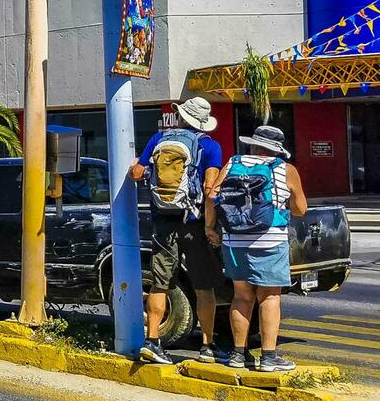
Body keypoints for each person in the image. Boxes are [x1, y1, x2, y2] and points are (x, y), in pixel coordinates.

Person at [128, 96, 225, 364]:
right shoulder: (210, 146)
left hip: (163, 221)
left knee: (161, 283)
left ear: (181, 117)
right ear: (202, 123)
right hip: (194, 222)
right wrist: (210, 226)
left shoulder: (159, 141)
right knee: (205, 287)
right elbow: (209, 189)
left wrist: (137, 167)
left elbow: (137, 173)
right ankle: (207, 347)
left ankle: (153, 341)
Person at [207, 125, 307, 372]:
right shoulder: (285, 169)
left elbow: (211, 196)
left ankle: (238, 355)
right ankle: (269, 358)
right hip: (269, 240)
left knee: (241, 296)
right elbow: (300, 209)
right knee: (270, 297)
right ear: (276, 149)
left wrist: (210, 228)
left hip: (234, 240)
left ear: (253, 144)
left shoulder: (233, 163)